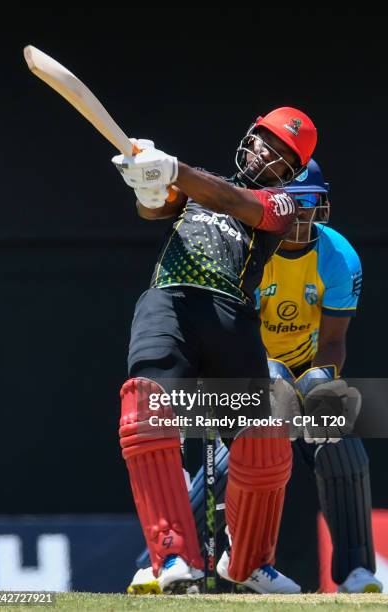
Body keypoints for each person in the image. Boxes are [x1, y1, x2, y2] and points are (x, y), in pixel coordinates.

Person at [128, 160, 382, 594]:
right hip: (251, 367)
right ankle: (160, 562)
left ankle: (358, 572)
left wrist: (321, 381)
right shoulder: (247, 244)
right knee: (255, 436)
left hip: (308, 368)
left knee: (339, 437)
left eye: (310, 205)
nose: (301, 215)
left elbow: (335, 340)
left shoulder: (339, 256)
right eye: (294, 203)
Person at [114, 107, 317, 593]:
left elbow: (231, 200)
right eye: (266, 140)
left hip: (230, 315)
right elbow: (160, 207)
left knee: (265, 440)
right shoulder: (196, 188)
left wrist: (173, 168)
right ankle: (171, 557)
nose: (268, 152)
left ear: (291, 172)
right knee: (147, 409)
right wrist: (148, 184)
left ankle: (247, 563)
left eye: (283, 153)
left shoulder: (280, 206)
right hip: (170, 301)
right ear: (250, 134)